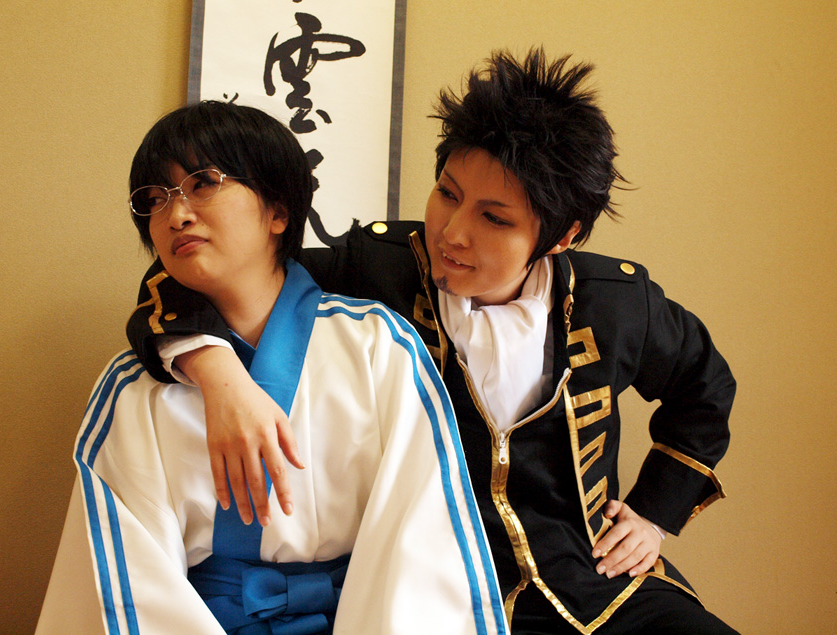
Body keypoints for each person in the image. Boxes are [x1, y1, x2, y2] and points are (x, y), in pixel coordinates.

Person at [124, 49, 737, 634]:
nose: (453, 233)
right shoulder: (378, 265)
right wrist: (220, 378)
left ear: (562, 236)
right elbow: (206, 273)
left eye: (494, 218)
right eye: (447, 194)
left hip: (601, 585)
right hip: (444, 593)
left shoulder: (617, 302)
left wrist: (655, 515)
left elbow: (705, 386)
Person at [37, 101, 508, 634]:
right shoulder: (134, 387)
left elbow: (420, 543)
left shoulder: (378, 346)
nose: (176, 215)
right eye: (155, 198)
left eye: (203, 183)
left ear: (279, 212)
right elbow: (128, 586)